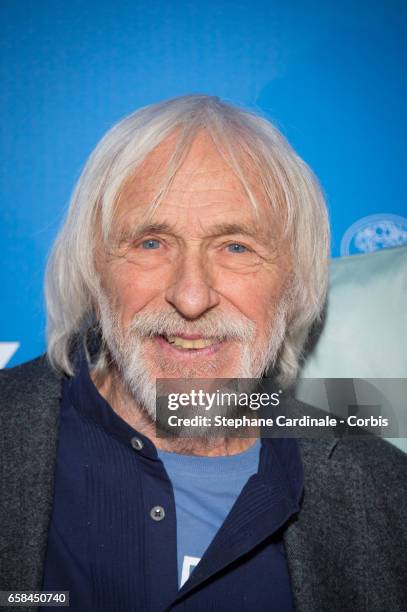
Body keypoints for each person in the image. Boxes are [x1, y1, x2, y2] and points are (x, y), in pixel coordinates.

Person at [1, 95, 406, 612]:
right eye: (151, 242)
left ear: (295, 280)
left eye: (236, 246)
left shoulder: (387, 495)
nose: (191, 297)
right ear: (92, 267)